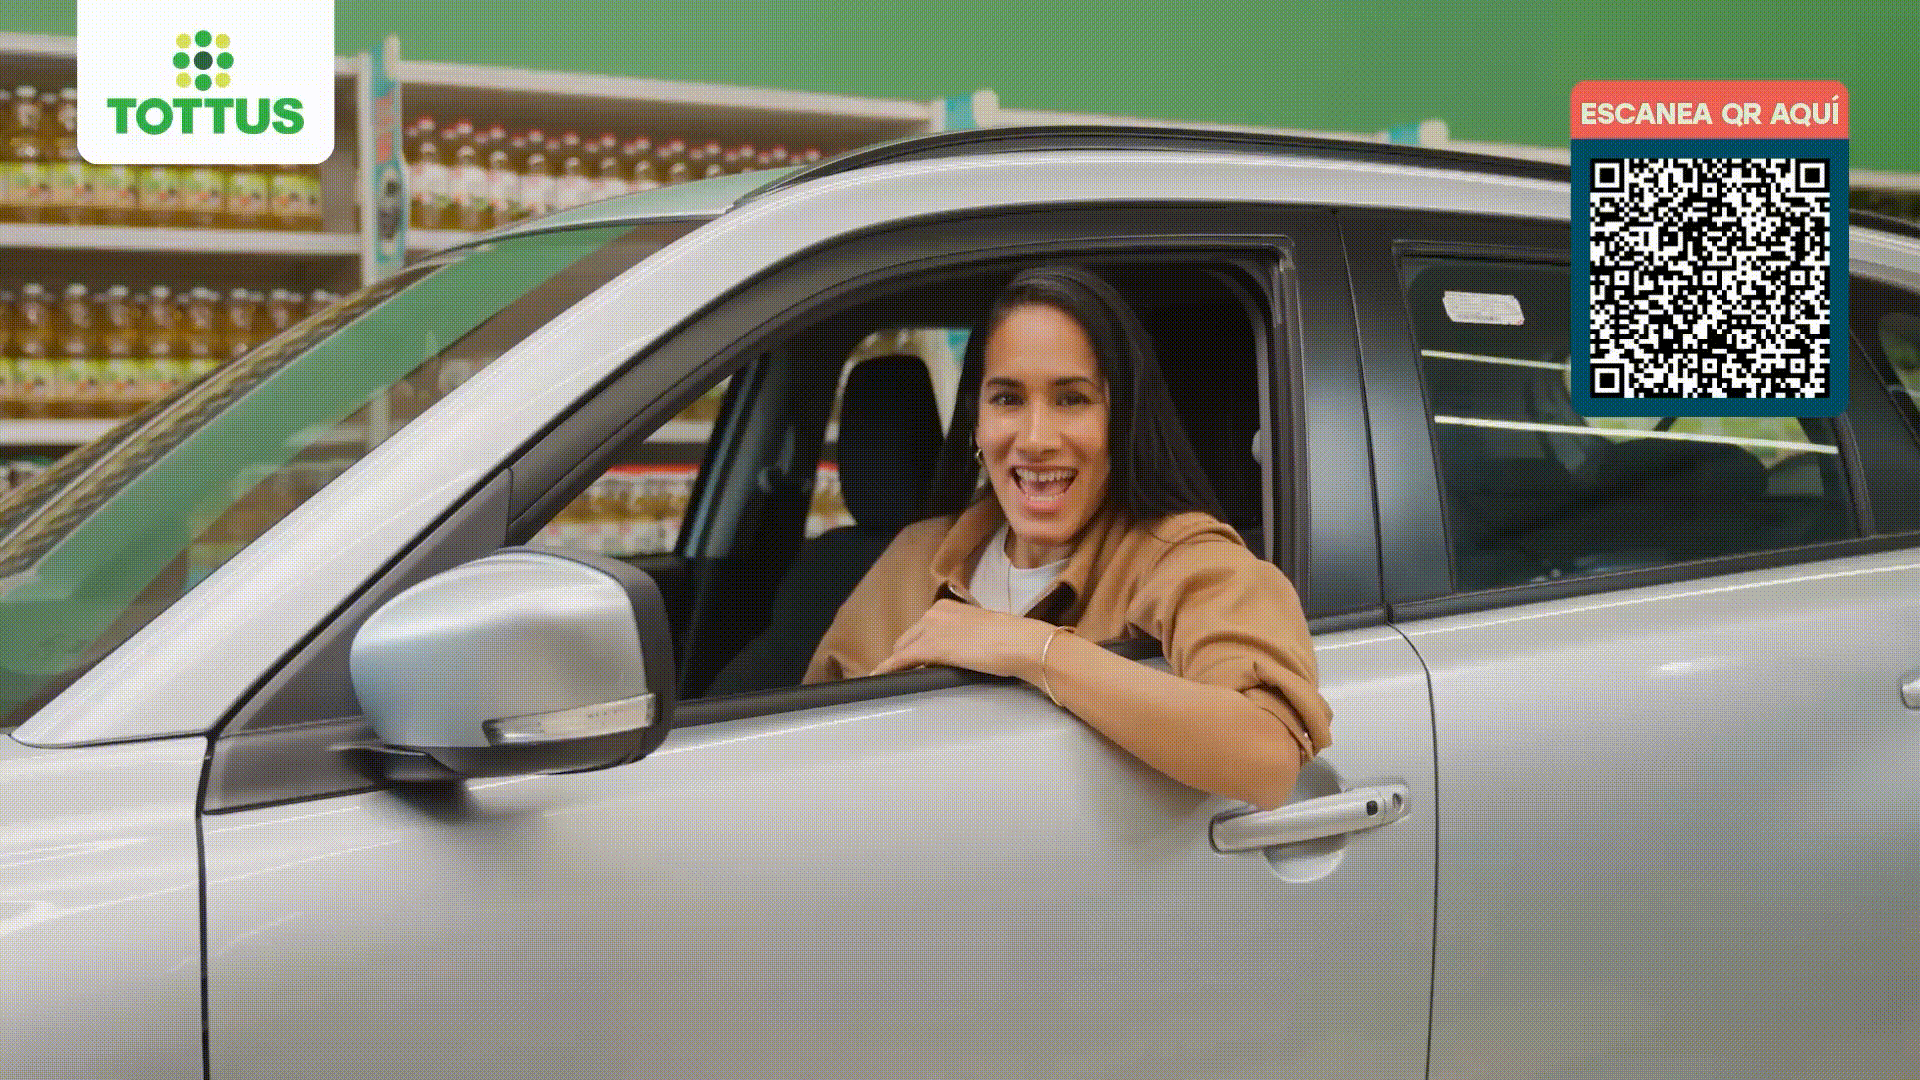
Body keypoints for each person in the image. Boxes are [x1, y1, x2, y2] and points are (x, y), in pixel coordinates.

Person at [804, 266, 1331, 811]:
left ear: (1121, 419)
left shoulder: (1180, 558)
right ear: (977, 423)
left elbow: (1268, 759)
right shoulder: (915, 556)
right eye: (1007, 398)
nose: (1035, 439)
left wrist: (1030, 648)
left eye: (1072, 399)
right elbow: (799, 757)